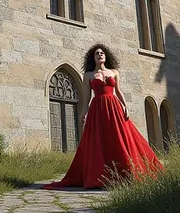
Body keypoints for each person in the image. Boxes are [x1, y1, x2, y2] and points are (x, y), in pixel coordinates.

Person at [42, 44, 163, 189]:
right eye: (97, 53)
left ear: (106, 57)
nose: (100, 54)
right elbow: (86, 97)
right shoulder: (88, 75)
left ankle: (126, 173)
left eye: (102, 53)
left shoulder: (114, 72)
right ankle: (99, 176)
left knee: (118, 138)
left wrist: (125, 106)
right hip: (97, 109)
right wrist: (83, 112)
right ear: (93, 58)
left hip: (114, 107)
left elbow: (118, 91)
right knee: (99, 140)